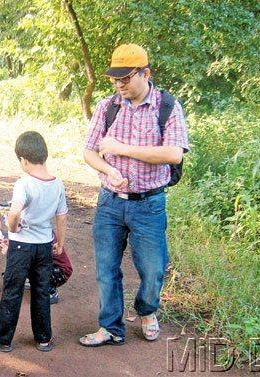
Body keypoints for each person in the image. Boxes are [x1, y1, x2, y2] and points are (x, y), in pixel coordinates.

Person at [79, 43, 189, 345]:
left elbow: (173, 154)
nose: (119, 85)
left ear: (145, 73)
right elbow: (89, 152)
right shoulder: (107, 106)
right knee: (106, 269)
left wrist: (121, 149)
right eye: (115, 79)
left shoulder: (166, 106)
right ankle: (111, 327)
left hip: (149, 204)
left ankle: (147, 309)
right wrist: (110, 170)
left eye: (126, 78)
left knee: (153, 270)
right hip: (110, 203)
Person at [0, 131, 68, 353]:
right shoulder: (57, 184)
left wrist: (12, 227)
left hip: (22, 246)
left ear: (24, 160)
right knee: (41, 290)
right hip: (45, 245)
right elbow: (62, 216)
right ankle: (44, 338)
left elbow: (15, 212)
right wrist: (61, 243)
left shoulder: (24, 184)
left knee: (13, 289)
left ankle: (3, 338)